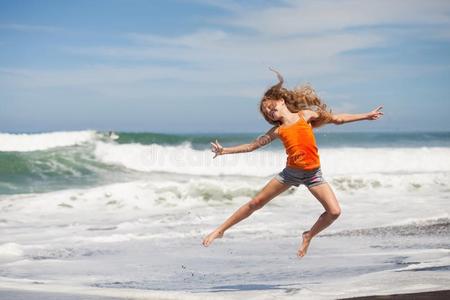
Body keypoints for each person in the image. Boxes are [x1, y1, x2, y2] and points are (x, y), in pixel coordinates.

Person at [202, 69, 383, 257]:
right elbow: (252, 146)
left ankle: (308, 235)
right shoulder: (277, 131)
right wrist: (224, 151)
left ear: (281, 101)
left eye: (271, 107)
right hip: (290, 174)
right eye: (267, 113)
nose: (270, 112)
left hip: (314, 175)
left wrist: (366, 115)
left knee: (334, 212)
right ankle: (220, 230)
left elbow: (337, 119)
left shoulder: (305, 115)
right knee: (256, 202)